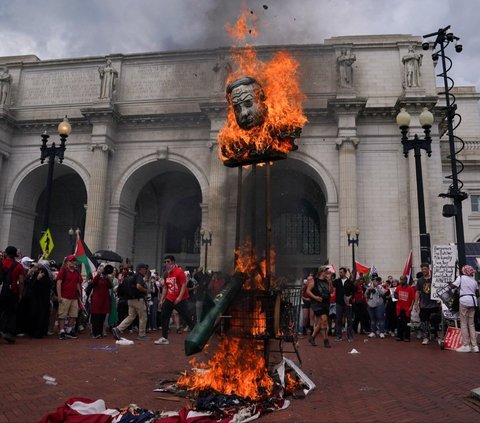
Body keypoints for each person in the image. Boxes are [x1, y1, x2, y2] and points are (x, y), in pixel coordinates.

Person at [154, 255, 196, 345]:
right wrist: (162, 300)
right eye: (165, 262)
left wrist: (179, 298)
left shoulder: (179, 272)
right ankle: (164, 338)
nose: (166, 263)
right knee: (164, 316)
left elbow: (184, 285)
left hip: (180, 299)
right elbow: (165, 287)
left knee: (187, 317)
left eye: (168, 261)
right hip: (170, 298)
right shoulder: (166, 273)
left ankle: (197, 334)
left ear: (173, 262)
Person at [112, 263, 149, 340]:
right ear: (140, 269)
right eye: (144, 269)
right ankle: (142, 334)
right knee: (143, 317)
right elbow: (138, 286)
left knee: (131, 316)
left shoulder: (130, 277)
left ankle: (118, 329)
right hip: (138, 300)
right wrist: (146, 290)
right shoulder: (139, 276)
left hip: (130, 300)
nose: (145, 271)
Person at [451, 265, 479, 353]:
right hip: (473, 301)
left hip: (464, 301)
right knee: (471, 324)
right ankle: (475, 346)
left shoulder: (461, 277)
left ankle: (466, 345)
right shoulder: (474, 281)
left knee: (463, 323)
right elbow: (477, 293)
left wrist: (449, 283)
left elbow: (453, 286)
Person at [0, 246, 25, 343]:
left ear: (6, 253)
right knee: (11, 313)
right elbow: (21, 282)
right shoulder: (18, 266)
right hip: (11, 292)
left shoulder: (1, 263)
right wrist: (20, 294)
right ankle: (9, 333)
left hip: (1, 291)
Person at [56, 255, 83, 340]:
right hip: (65, 296)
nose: (73, 262)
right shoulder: (63, 271)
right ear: (67, 262)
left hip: (74, 297)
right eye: (71, 261)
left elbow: (78, 284)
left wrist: (80, 295)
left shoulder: (76, 272)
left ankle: (69, 330)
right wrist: (59, 296)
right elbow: (58, 284)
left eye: (74, 261)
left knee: (74, 315)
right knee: (62, 315)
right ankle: (62, 331)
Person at [306, 267, 332, 348]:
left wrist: (330, 281)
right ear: (322, 272)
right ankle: (325, 340)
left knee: (321, 322)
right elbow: (308, 291)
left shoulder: (327, 281)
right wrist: (315, 297)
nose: (327, 273)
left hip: (326, 303)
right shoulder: (314, 280)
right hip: (317, 303)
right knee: (324, 319)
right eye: (326, 271)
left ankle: (312, 337)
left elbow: (331, 291)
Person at [415, 263, 440, 345]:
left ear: (428, 269)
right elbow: (417, 292)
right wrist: (416, 303)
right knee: (424, 322)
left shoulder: (434, 279)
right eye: (422, 269)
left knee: (435, 321)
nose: (423, 270)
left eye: (425, 269)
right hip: (424, 305)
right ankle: (426, 337)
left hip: (434, 304)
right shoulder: (420, 281)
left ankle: (437, 336)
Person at [89, 264, 114, 338]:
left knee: (102, 316)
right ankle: (95, 333)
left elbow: (111, 286)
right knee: (96, 316)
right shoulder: (96, 277)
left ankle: (100, 332)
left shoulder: (106, 278)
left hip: (105, 300)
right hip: (97, 300)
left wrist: (107, 278)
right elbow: (93, 283)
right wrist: (98, 275)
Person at [332, 267, 354, 341]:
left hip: (348, 303)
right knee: (338, 319)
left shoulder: (349, 282)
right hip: (339, 302)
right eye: (339, 272)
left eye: (341, 272)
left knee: (349, 320)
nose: (340, 273)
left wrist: (349, 297)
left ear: (345, 273)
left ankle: (350, 336)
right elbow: (331, 286)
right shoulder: (337, 281)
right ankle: (338, 336)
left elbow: (353, 291)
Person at [394, 275, 416, 341]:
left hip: (407, 308)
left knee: (407, 323)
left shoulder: (410, 288)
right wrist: (395, 295)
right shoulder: (398, 287)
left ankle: (407, 337)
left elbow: (413, 299)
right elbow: (395, 295)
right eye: (400, 279)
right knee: (399, 322)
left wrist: (411, 306)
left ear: (406, 280)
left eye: (402, 280)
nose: (401, 281)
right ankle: (399, 336)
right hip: (399, 308)